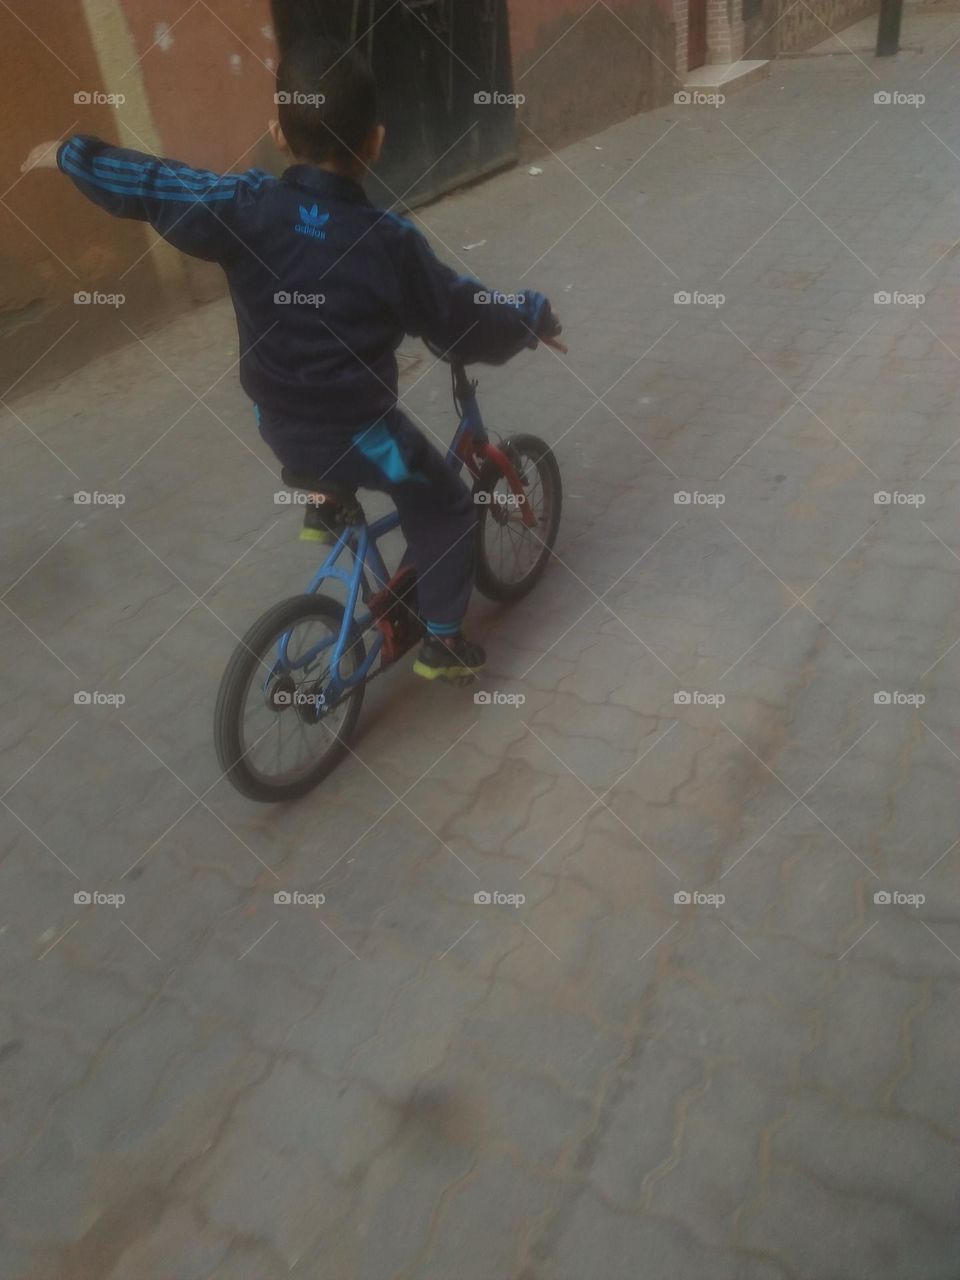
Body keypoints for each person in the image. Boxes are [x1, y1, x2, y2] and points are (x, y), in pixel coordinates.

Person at [21, 39, 564, 682]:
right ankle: (443, 641)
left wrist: (70, 154)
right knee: (444, 502)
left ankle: (327, 504)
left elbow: (154, 184)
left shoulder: (243, 207)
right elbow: (466, 315)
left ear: (278, 133)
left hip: (275, 420)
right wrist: (529, 315)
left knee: (329, 447)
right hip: (364, 436)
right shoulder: (389, 245)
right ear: (377, 141)